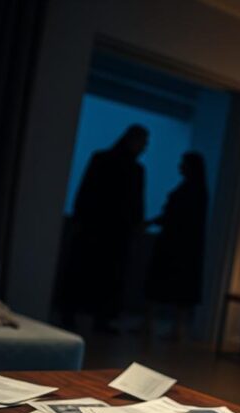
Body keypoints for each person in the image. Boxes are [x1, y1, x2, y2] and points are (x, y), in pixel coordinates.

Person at [59, 124, 147, 334]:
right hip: (110, 231)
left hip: (98, 228)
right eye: (143, 142)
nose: (144, 147)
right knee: (104, 275)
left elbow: (85, 191)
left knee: (88, 272)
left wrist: (80, 218)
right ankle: (97, 318)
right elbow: (135, 203)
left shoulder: (104, 160)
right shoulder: (133, 169)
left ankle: (76, 314)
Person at [144, 152, 208, 341]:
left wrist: (154, 222)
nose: (180, 166)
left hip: (175, 244)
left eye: (183, 163)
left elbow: (174, 215)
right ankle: (174, 328)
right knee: (179, 289)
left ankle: (158, 326)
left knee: (163, 284)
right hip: (185, 245)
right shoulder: (197, 190)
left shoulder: (191, 190)